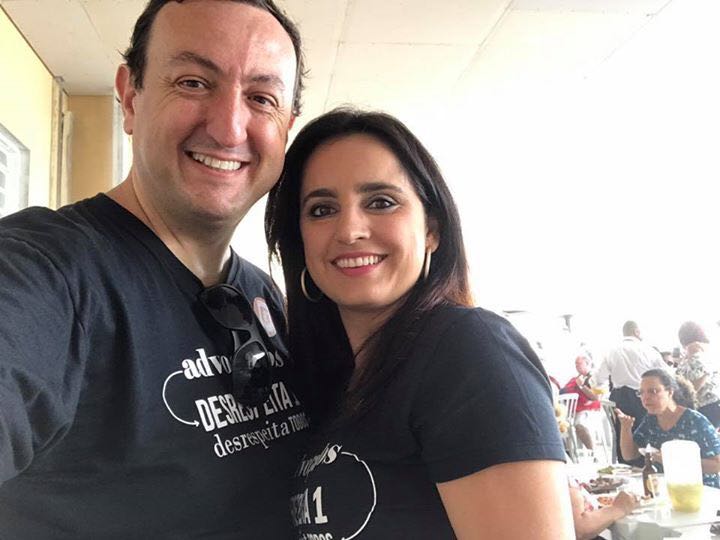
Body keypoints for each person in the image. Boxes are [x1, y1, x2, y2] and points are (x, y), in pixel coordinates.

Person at [0, 0, 308, 537]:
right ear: (130, 97)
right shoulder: (46, 269)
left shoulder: (261, 294)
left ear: (286, 130)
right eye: (193, 83)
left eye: (261, 98)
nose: (229, 128)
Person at [265, 108, 575, 538]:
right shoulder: (338, 380)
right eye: (321, 209)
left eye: (381, 202)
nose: (349, 230)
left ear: (432, 229)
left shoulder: (469, 351)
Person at [616, 369, 720, 487]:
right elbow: (629, 455)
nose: (645, 398)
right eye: (641, 392)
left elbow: (716, 465)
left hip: (701, 489)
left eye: (653, 391)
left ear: (670, 392)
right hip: (667, 486)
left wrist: (670, 460)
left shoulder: (695, 421)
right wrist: (626, 427)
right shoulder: (651, 420)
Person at [593, 320, 666, 464]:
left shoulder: (612, 350)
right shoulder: (648, 349)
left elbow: (598, 378)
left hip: (620, 399)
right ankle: (649, 463)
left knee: (623, 431)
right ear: (636, 332)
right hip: (647, 396)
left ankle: (625, 464)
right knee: (648, 431)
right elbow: (665, 374)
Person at [676, 320, 720, 426]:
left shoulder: (694, 356)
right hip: (713, 404)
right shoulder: (706, 353)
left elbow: (694, 387)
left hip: (704, 407)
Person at [562, 355, 603, 452]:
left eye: (579, 363)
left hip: (588, 410)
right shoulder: (576, 378)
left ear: (587, 364)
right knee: (561, 425)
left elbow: (597, 398)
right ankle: (570, 453)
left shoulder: (594, 377)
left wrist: (581, 386)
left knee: (579, 424)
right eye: (575, 364)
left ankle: (592, 451)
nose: (576, 366)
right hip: (570, 411)